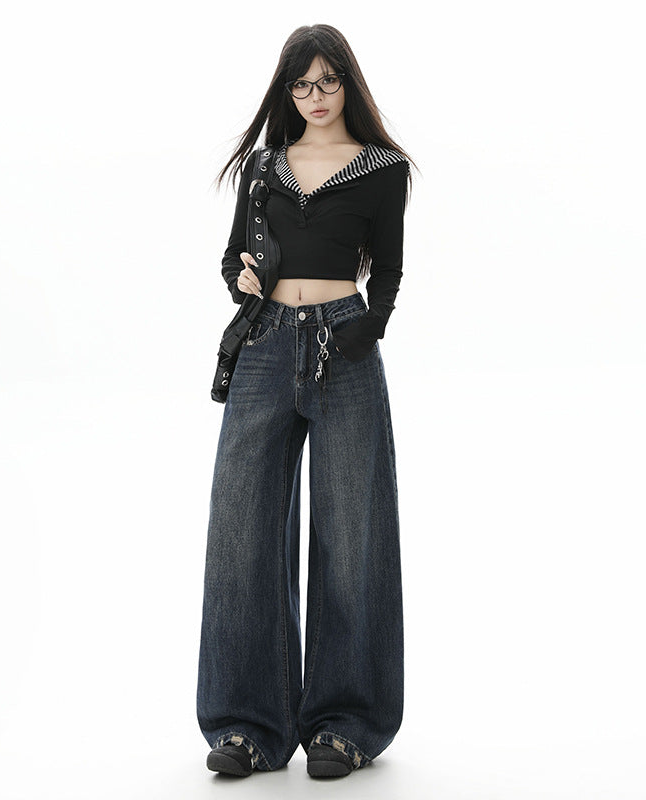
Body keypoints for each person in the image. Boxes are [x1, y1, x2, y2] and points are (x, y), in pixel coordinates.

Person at [197, 23, 416, 779]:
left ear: (348, 82)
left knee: (353, 533)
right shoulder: (264, 167)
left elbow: (389, 268)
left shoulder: (383, 168)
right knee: (242, 531)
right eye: (301, 84)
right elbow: (233, 259)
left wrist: (370, 327)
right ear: (286, 91)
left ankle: (347, 723)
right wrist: (243, 280)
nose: (315, 96)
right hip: (264, 345)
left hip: (344, 346)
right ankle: (247, 725)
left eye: (327, 81)